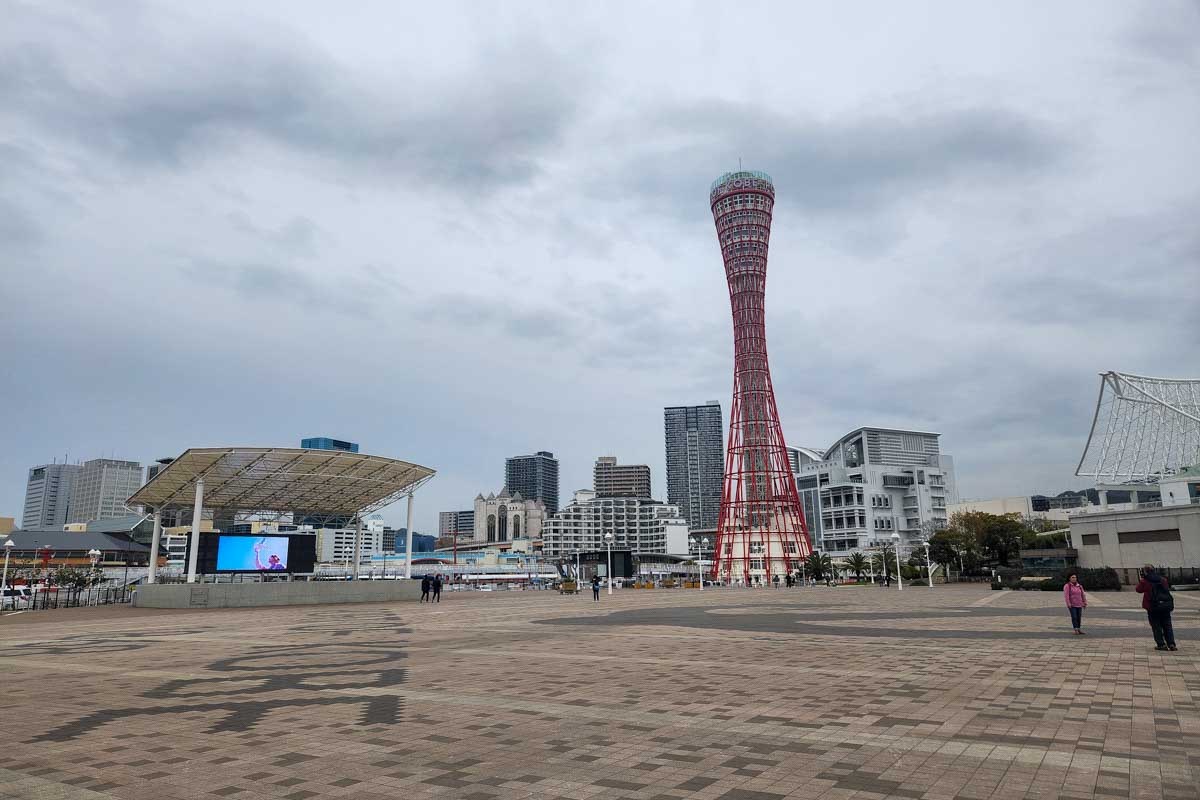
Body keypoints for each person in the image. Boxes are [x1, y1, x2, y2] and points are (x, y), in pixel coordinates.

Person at [1136, 564, 1177, 651]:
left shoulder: (1145, 581)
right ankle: (1171, 644)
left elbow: (1138, 590)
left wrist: (1142, 580)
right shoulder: (1163, 579)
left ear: (1145, 572)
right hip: (1165, 605)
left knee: (1156, 626)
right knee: (1167, 625)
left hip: (1153, 606)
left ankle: (1161, 644)